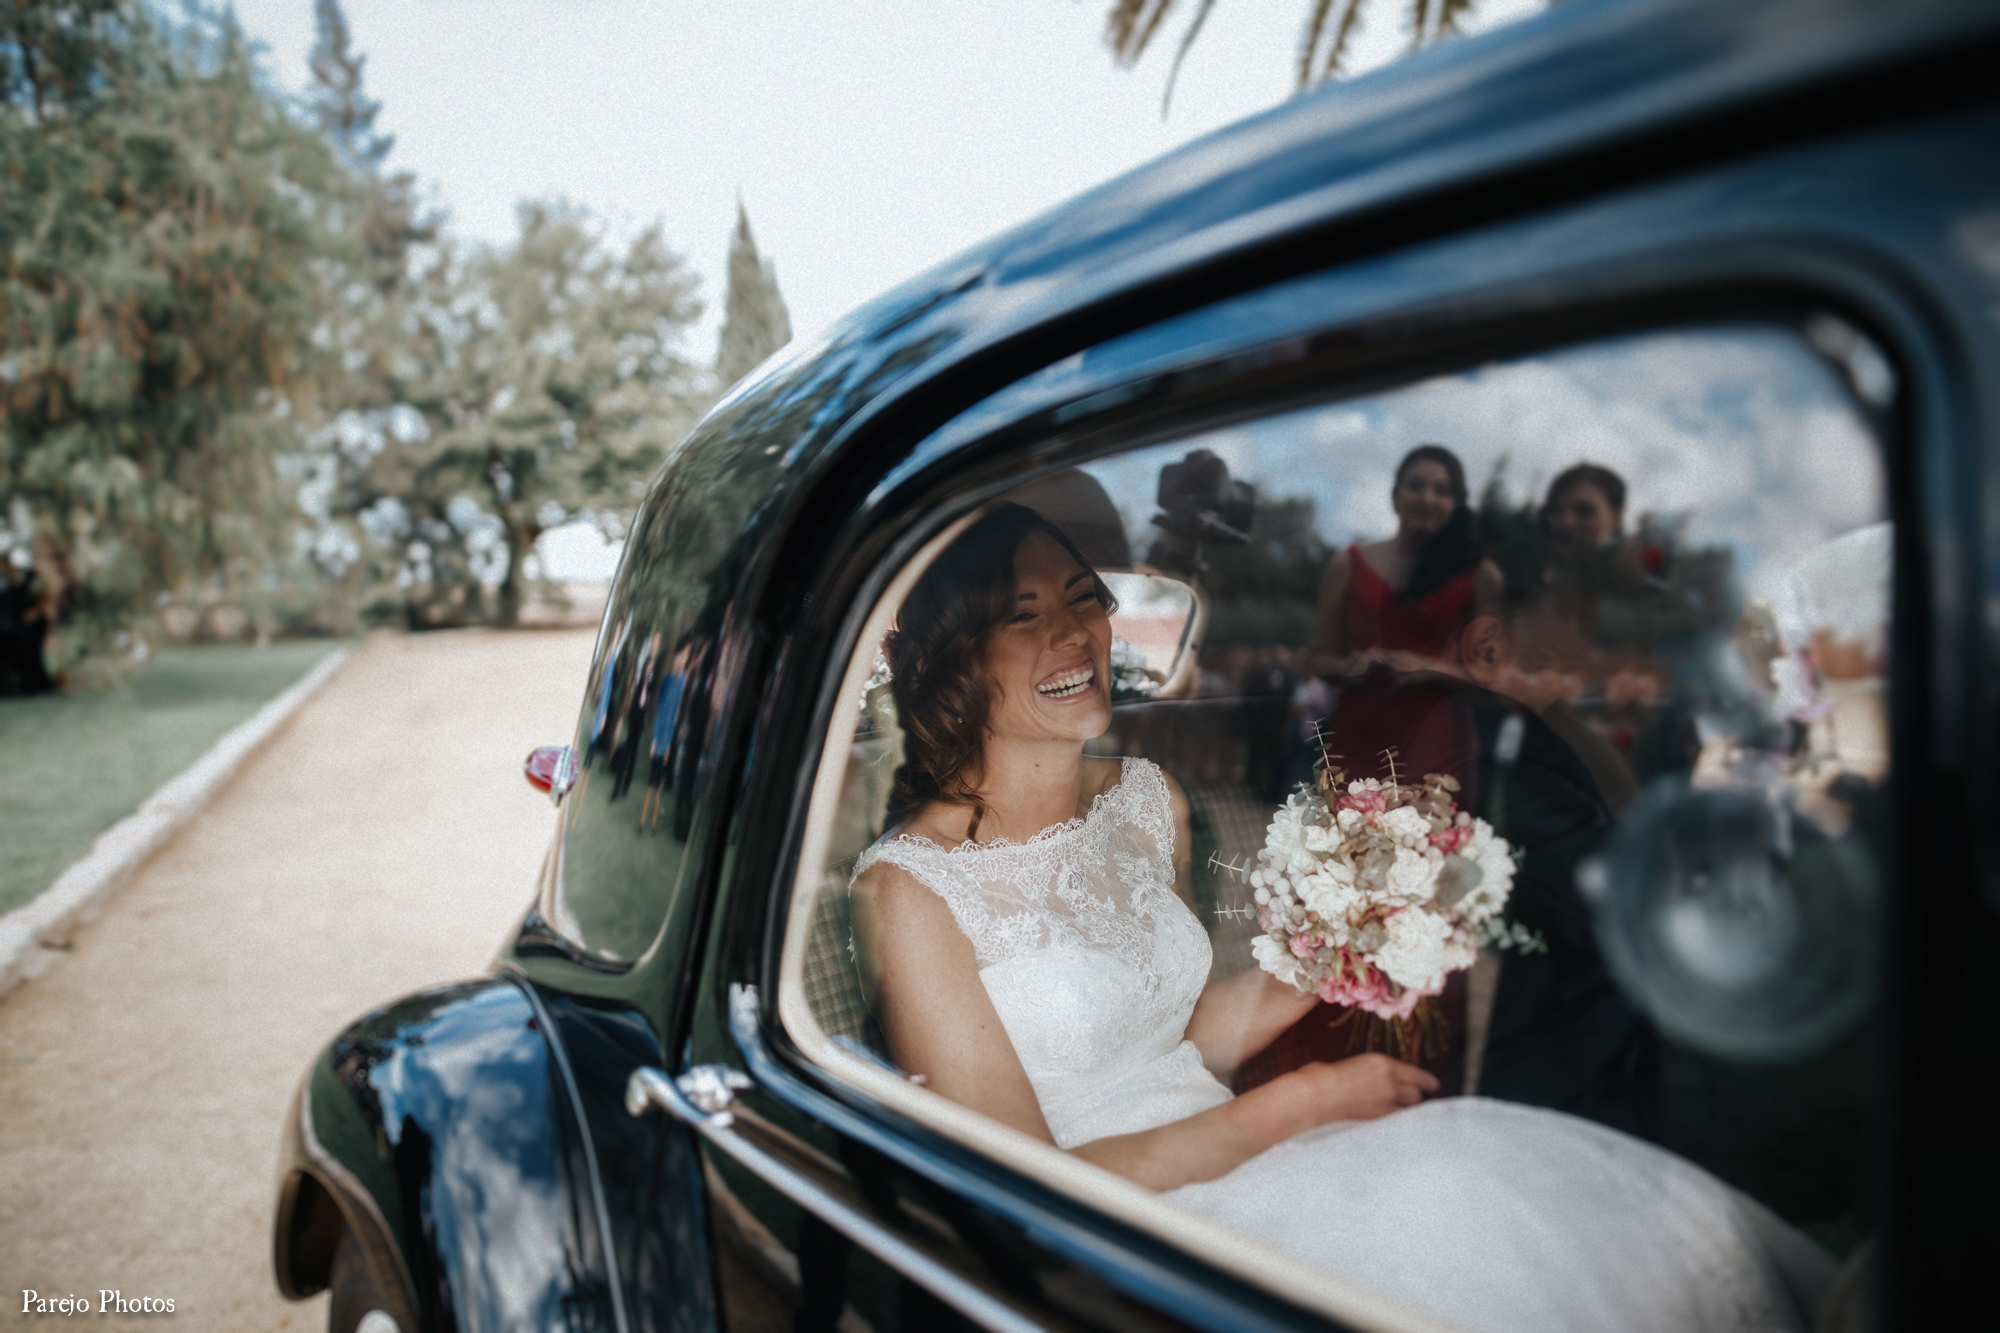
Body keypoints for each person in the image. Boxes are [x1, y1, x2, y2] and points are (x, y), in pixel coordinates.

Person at [850, 503, 1835, 1333]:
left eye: (1083, 598)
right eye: (1022, 615)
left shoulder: (1147, 800)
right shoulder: (910, 890)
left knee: (1500, 1202)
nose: (1073, 633)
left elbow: (1166, 1034)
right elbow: (1018, 1193)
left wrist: (1330, 957)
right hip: (1112, 1237)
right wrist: (1291, 1106)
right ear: (953, 658)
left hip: (1233, 1143)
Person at [1312, 444, 1502, 672]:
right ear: (1395, 496)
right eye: (1415, 486)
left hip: (1440, 708)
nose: (1427, 498)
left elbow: (1492, 676)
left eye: (1441, 490)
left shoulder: (1480, 576)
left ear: (1457, 504)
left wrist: (1431, 671)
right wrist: (1353, 668)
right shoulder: (1346, 564)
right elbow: (1320, 659)